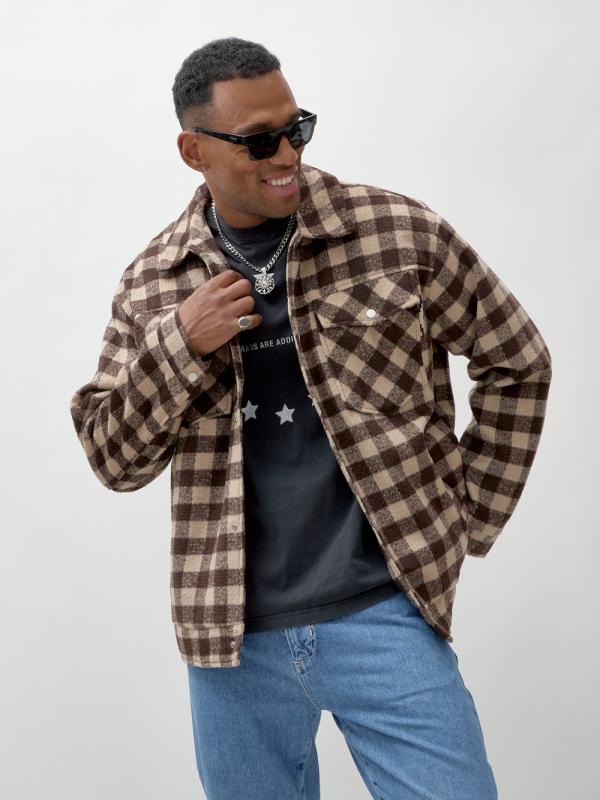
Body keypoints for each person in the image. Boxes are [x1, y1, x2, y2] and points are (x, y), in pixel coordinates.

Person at [69, 36, 552, 800]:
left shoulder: (396, 232)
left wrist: (466, 515)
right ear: (194, 151)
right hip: (231, 643)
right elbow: (111, 457)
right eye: (260, 140)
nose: (288, 153)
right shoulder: (154, 282)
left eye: (297, 128)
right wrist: (180, 343)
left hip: (384, 614)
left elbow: (517, 359)